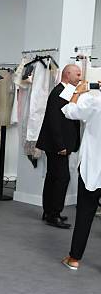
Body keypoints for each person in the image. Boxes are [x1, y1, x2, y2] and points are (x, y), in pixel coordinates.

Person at [59, 80, 101, 269]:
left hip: (93, 166)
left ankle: (74, 258)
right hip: (92, 166)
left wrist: (77, 92)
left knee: (85, 213)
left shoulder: (95, 101)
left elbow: (69, 111)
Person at [36, 64, 82, 228]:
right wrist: (60, 145)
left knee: (53, 176)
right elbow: (54, 121)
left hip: (56, 144)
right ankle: (53, 214)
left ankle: (48, 211)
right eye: (77, 74)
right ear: (67, 74)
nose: (80, 77)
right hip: (57, 145)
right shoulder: (59, 92)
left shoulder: (65, 92)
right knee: (62, 178)